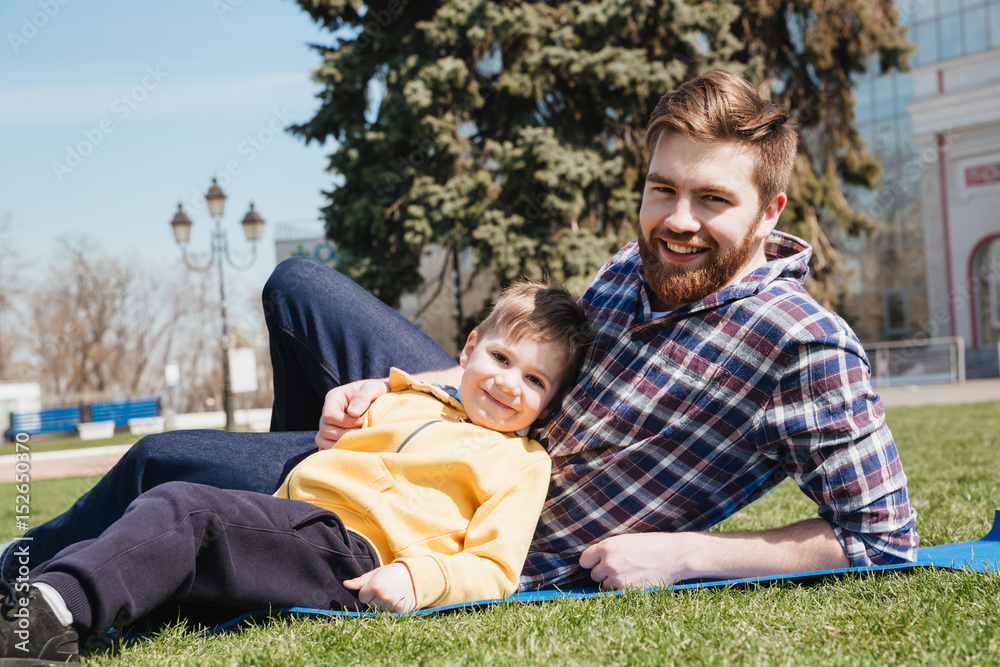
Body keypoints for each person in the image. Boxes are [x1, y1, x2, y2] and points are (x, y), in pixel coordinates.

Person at [2, 69, 916, 599]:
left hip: (475, 503)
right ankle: (305, 479)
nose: (677, 219)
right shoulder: (632, 270)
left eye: (713, 199)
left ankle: (19, 576)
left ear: (769, 212)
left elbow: (883, 537)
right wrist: (406, 389)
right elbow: (529, 362)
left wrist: (682, 551)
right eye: (662, 188)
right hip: (463, 422)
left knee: (164, 458)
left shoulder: (802, 345)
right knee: (299, 284)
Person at [0, 282, 591, 664]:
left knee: (187, 510)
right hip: (293, 517)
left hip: (354, 552)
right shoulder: (409, 398)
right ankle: (33, 586)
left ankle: (49, 612)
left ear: (550, 402)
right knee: (170, 532)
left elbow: (494, 567)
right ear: (467, 351)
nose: (509, 383)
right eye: (501, 357)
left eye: (536, 381)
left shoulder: (521, 462)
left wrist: (422, 577)